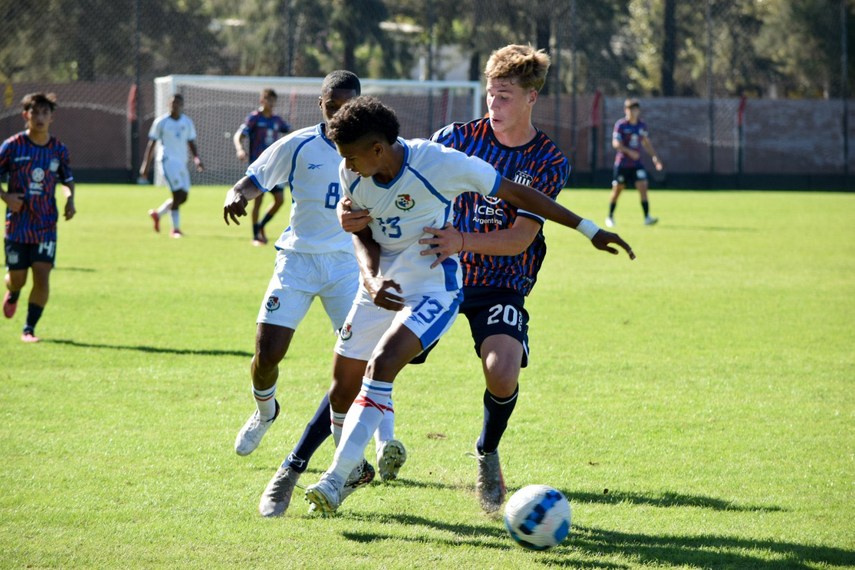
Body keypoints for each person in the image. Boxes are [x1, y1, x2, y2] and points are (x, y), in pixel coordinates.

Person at [304, 95, 634, 515]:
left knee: (383, 364)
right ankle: (349, 469)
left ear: (377, 150)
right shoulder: (352, 167)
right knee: (343, 380)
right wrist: (369, 275)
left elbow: (519, 194)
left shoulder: (440, 162)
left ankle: (334, 480)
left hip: (435, 286)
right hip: (382, 285)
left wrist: (589, 229)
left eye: (351, 157)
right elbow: (363, 229)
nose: (345, 166)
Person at [338, 44, 587, 513]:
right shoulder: (456, 137)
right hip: (431, 271)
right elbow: (400, 176)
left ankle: (487, 452)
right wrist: (348, 210)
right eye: (491, 95)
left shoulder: (549, 160)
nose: (494, 105)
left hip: (501, 281)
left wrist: (462, 240)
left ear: (532, 97)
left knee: (502, 373)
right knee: (372, 359)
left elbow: (518, 239)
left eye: (506, 96)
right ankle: (342, 461)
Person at [222, 71, 405, 518]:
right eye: (332, 105)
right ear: (320, 103)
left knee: (366, 357)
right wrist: (236, 193)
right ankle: (266, 413)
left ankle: (382, 443)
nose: (340, 113)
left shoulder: (372, 153)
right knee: (268, 353)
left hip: (348, 267)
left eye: (349, 105)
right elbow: (255, 177)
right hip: (298, 263)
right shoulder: (299, 144)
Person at [1, 92, 75, 343]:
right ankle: (12, 293)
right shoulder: (12, 146)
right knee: (17, 280)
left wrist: (69, 199)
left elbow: (67, 179)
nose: (40, 118)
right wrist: (5, 197)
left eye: (45, 113)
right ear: (26, 115)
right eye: (35, 113)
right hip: (17, 225)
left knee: (42, 276)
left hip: (45, 224)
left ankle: (29, 328)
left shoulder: (58, 149)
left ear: (52, 117)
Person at [232, 88, 291, 245]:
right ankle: (255, 236)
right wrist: (239, 149)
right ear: (262, 100)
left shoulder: (277, 120)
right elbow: (239, 135)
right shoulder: (254, 118)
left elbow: (291, 132)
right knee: (258, 201)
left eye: (274, 100)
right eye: (269, 100)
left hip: (276, 167)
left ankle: (262, 225)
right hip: (259, 168)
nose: (271, 103)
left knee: (279, 200)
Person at [141, 93, 204, 238]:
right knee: (176, 194)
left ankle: (158, 214)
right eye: (173, 102)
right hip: (167, 161)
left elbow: (191, 142)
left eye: (178, 103)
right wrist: (145, 165)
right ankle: (175, 229)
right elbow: (152, 143)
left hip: (182, 162)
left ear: (182, 105)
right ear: (169, 104)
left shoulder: (187, 122)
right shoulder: (161, 122)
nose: (175, 105)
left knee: (183, 197)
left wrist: (197, 158)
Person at [606, 98, 664, 228]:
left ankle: (647, 217)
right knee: (618, 189)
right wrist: (629, 151)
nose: (633, 113)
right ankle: (610, 216)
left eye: (635, 110)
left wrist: (655, 157)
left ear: (638, 111)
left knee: (643, 186)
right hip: (622, 164)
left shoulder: (641, 125)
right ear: (626, 110)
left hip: (637, 164)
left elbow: (646, 142)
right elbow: (615, 143)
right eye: (630, 110)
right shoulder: (620, 125)